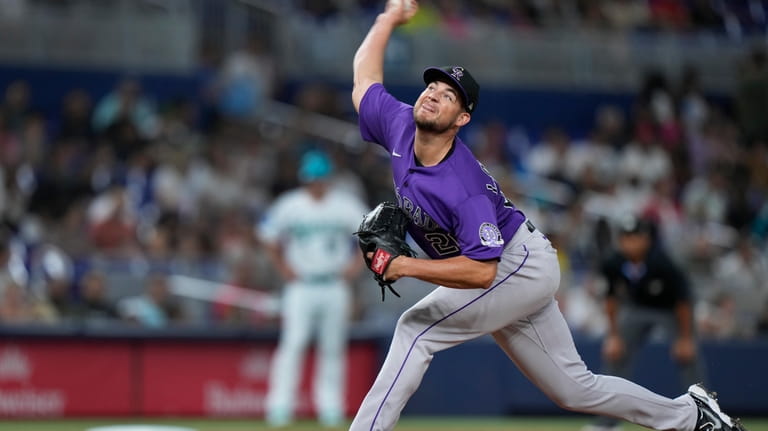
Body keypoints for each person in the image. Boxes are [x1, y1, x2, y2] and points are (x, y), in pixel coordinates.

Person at [347, 2, 747, 431]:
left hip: (515, 268)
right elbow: (364, 81)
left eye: (449, 96)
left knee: (416, 330)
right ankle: (691, 416)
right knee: (575, 389)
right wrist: (387, 20)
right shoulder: (399, 123)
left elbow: (483, 273)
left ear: (461, 119)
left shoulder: (463, 187)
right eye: (433, 88)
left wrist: (405, 265)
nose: (433, 95)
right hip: (513, 265)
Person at [258, 149, 369, 428]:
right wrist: (282, 267)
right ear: (304, 180)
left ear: (328, 179)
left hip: (334, 283)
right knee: (293, 343)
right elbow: (267, 235)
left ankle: (330, 408)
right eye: (311, 179)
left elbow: (370, 237)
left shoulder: (344, 205)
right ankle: (279, 407)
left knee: (332, 347)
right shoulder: (290, 205)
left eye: (319, 179)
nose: (315, 184)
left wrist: (355, 266)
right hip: (302, 284)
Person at [584, 215, 706, 431]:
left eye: (635, 237)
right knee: (615, 356)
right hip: (637, 308)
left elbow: (683, 301)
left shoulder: (662, 262)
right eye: (626, 237)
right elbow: (611, 299)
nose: (630, 242)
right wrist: (613, 336)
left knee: (688, 358)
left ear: (647, 239)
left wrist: (685, 338)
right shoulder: (614, 262)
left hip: (671, 311)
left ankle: (705, 415)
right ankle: (607, 423)